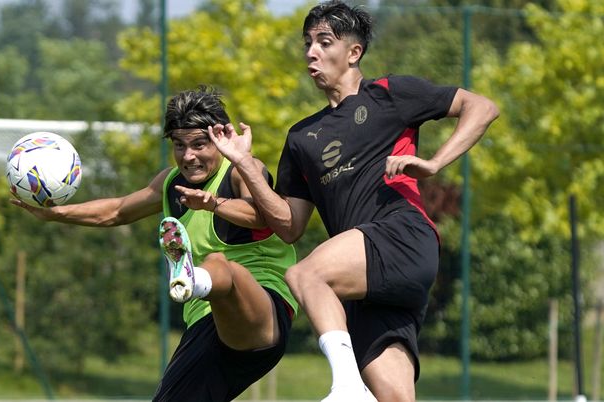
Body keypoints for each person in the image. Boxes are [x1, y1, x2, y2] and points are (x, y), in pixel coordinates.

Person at [207, 1, 500, 401]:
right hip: (363, 279)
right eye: (307, 42)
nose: (311, 51)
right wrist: (245, 165)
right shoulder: (301, 138)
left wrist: (433, 163)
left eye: (324, 42)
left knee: (304, 276)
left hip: (403, 237)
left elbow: (482, 107)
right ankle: (354, 389)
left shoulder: (390, 94)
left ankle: (345, 388)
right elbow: (290, 225)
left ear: (354, 52)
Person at [11, 86, 298, 402]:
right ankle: (195, 280)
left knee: (222, 266)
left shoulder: (245, 170)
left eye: (199, 144)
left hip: (264, 308)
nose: (188, 156)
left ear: (221, 139)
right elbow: (117, 211)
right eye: (179, 145)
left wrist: (213, 203)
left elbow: (263, 216)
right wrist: (56, 214)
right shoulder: (171, 183)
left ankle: (196, 278)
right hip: (205, 325)